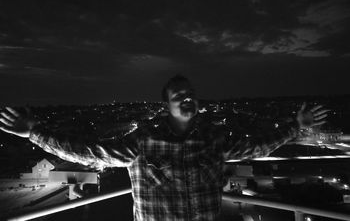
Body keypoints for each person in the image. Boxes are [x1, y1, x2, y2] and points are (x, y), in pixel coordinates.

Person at [0, 75, 329, 220]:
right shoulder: (143, 142)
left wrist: (296, 127)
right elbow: (90, 152)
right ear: (166, 105)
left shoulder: (213, 138)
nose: (187, 98)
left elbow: (256, 146)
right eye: (179, 95)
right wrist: (35, 134)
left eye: (191, 94)